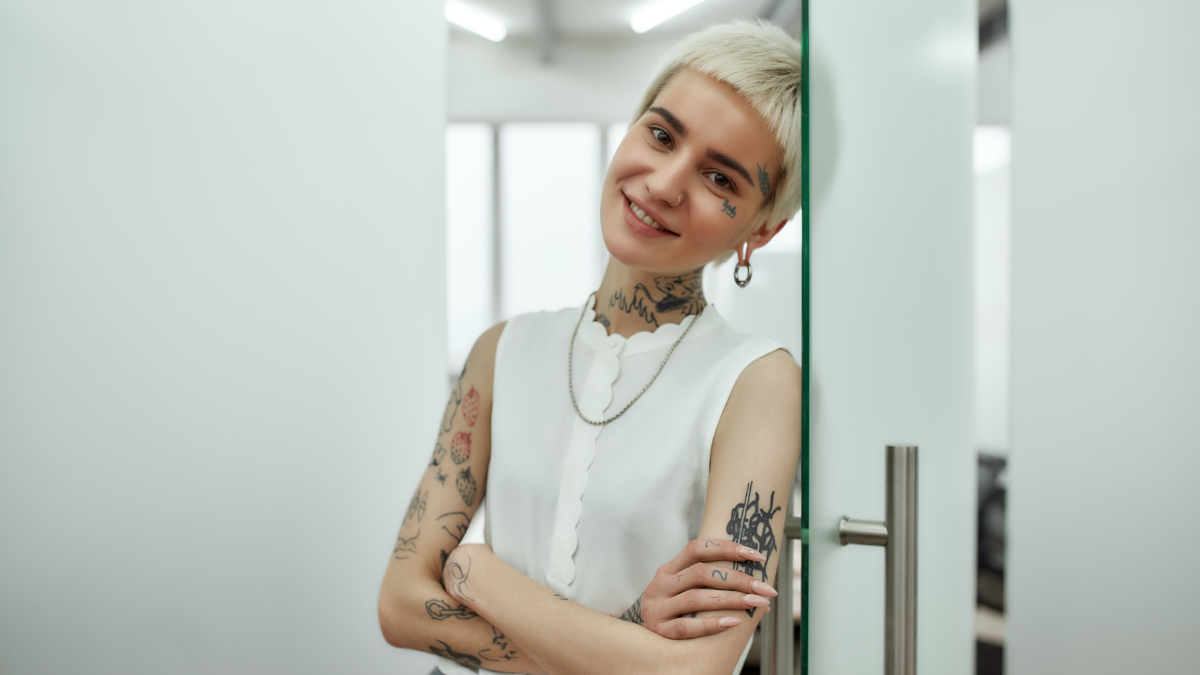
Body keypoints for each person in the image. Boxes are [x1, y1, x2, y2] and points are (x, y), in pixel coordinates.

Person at [378, 20, 804, 675]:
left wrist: (477, 571)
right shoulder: (501, 350)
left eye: (721, 180)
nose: (664, 183)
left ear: (761, 229)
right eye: (661, 135)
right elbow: (401, 604)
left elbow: (695, 668)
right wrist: (623, 642)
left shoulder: (756, 381)